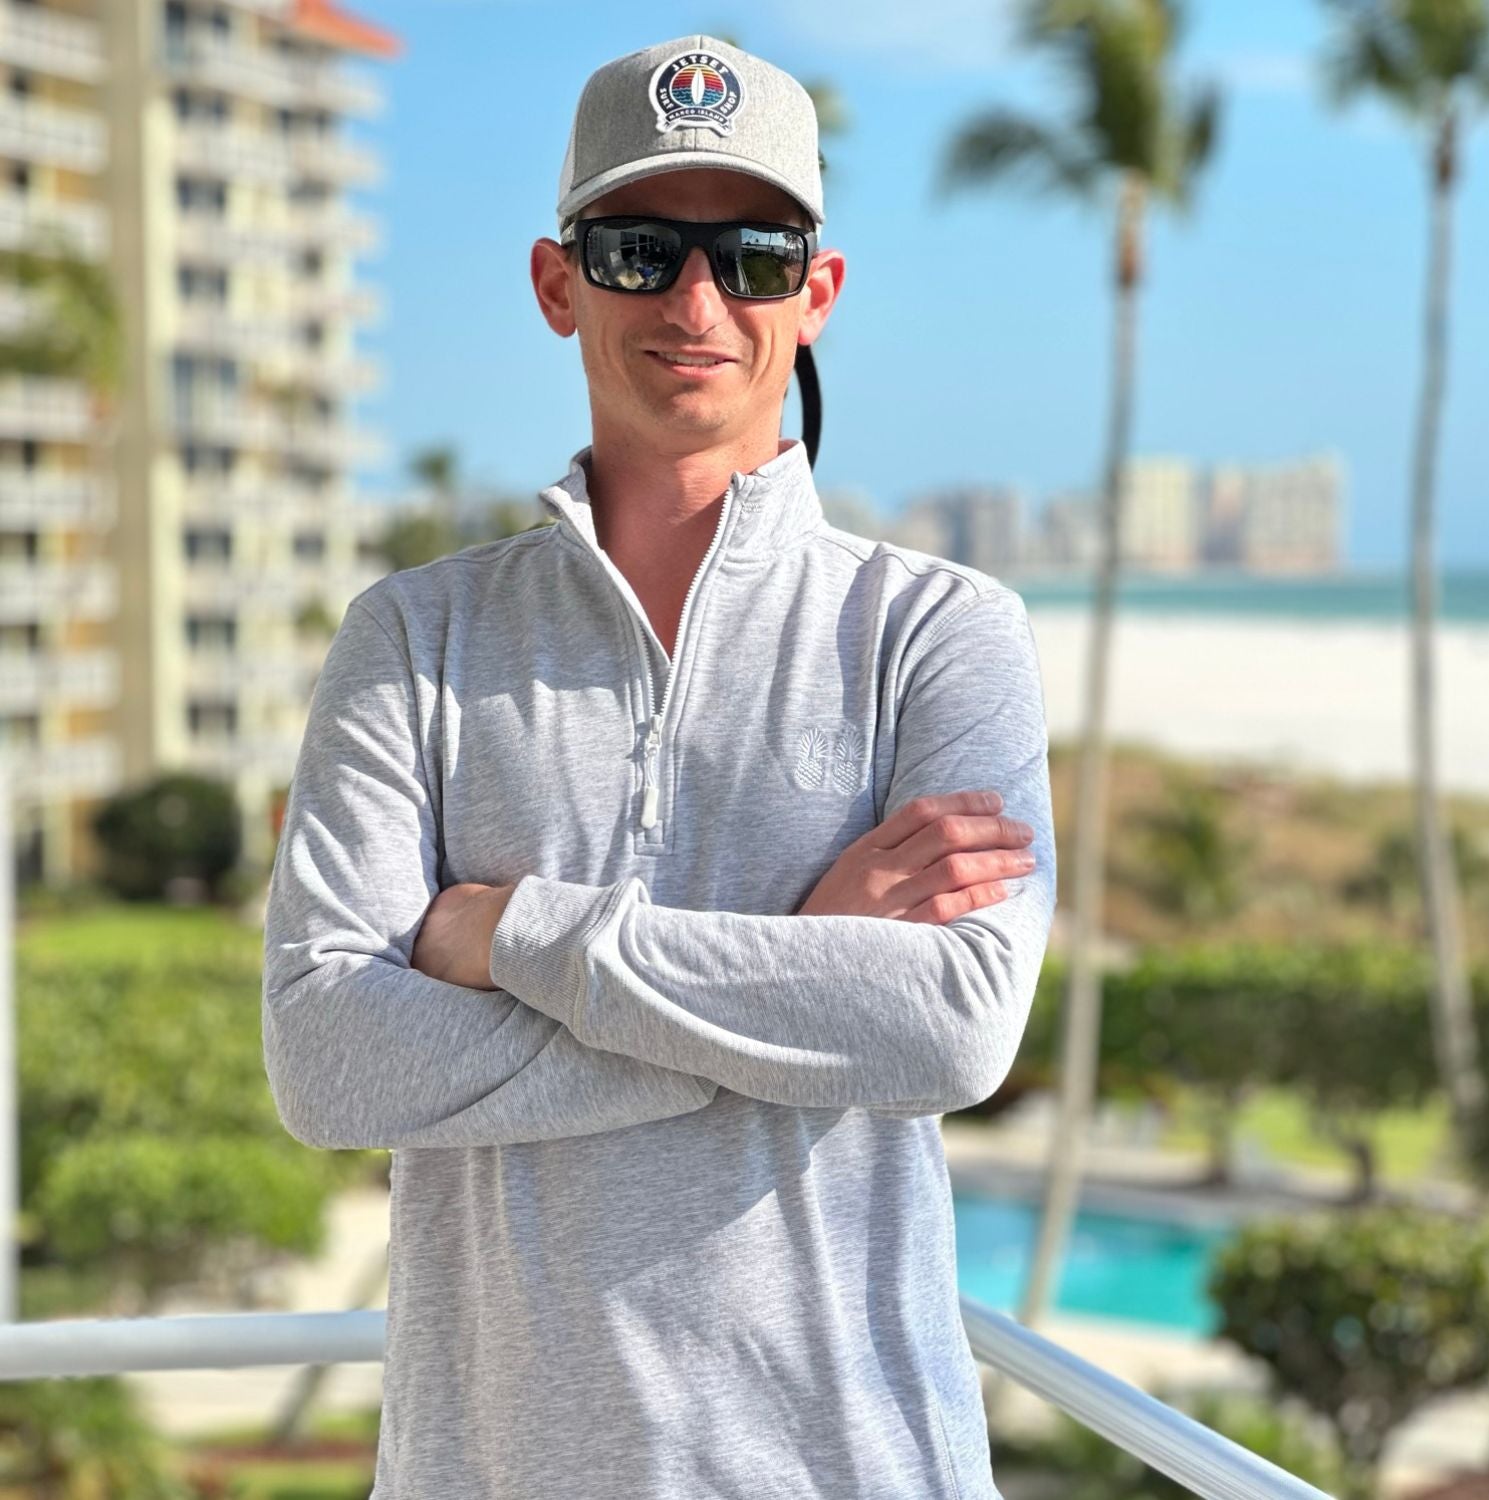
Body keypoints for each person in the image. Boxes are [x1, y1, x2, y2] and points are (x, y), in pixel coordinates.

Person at [261, 32, 1057, 1500]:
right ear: (557, 283)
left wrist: (513, 935)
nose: (697, 302)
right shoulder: (415, 637)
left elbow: (950, 1031)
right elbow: (327, 1057)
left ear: (816, 294)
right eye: (639, 250)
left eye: (753, 256)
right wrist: (801, 972)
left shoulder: (941, 632)